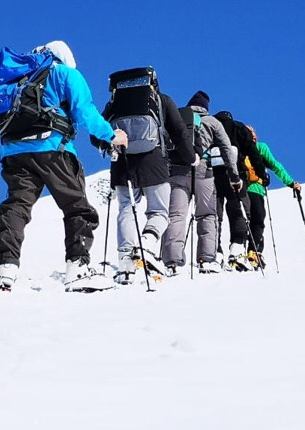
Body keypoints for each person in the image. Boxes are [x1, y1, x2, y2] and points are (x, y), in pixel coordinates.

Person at [0, 41, 127, 292]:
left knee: (17, 206)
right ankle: (77, 268)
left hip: (14, 152)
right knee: (76, 206)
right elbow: (85, 111)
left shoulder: (18, 77)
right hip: (53, 149)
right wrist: (111, 136)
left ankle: (5, 268)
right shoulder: (65, 73)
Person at [103, 75, 194, 283]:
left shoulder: (114, 103)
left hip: (122, 164)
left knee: (126, 208)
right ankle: (146, 243)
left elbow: (97, 134)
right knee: (159, 212)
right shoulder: (162, 100)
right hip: (154, 162)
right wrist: (191, 158)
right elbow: (180, 133)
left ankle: (125, 263)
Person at [161, 90, 239, 274]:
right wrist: (233, 176)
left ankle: (172, 261)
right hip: (204, 173)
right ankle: (206, 259)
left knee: (176, 216)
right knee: (207, 215)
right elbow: (227, 149)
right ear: (206, 107)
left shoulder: (177, 117)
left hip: (177, 172)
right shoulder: (212, 122)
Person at [241, 124, 301, 259]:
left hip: (238, 190)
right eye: (251, 132)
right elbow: (275, 165)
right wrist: (291, 183)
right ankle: (254, 251)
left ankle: (238, 251)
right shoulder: (260, 148)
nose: (254, 135)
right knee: (258, 220)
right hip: (255, 188)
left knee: (243, 220)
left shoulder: (238, 149)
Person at [212, 109, 262, 270]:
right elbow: (252, 151)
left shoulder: (212, 127)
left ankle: (215, 251)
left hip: (213, 176)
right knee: (238, 212)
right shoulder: (238, 127)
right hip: (236, 177)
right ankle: (237, 249)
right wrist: (261, 173)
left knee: (215, 215)